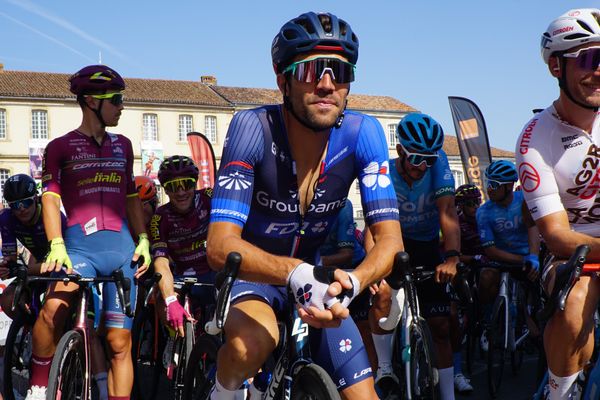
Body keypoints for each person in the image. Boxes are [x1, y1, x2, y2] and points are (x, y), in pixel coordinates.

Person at [206, 11, 402, 400]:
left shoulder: (365, 134)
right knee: (251, 346)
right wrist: (293, 272)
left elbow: (390, 242)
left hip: (320, 282)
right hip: (254, 277)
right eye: (312, 70)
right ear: (284, 80)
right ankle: (221, 393)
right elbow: (219, 245)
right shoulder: (252, 128)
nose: (327, 84)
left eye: (340, 72)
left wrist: (356, 282)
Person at [27, 64, 150, 400]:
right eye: (117, 99)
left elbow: (130, 198)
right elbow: (50, 199)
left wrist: (143, 239)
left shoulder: (123, 146)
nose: (122, 106)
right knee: (53, 311)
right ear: (92, 101)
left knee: (119, 343)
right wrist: (56, 244)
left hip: (122, 252)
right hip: (79, 251)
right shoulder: (60, 147)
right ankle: (39, 385)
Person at [515, 8, 600, 400]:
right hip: (573, 251)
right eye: (589, 59)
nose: (599, 71)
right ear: (556, 67)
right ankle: (559, 392)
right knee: (574, 305)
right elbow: (556, 234)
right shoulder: (536, 138)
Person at [365, 112, 461, 400]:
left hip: (427, 243)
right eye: (416, 158)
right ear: (399, 151)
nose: (423, 166)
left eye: (429, 159)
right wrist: (373, 268)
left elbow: (447, 212)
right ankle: (384, 368)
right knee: (382, 296)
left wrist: (453, 257)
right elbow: (373, 223)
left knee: (441, 326)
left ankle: (448, 395)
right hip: (392, 240)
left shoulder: (439, 164)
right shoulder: (383, 169)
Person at [149, 156, 213, 369]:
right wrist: (169, 301)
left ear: (195, 184)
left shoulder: (210, 198)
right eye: (173, 187)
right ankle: (172, 337)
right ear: (166, 191)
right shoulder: (160, 217)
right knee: (159, 294)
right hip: (184, 276)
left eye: (186, 184)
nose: (181, 191)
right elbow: (160, 262)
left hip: (214, 272)